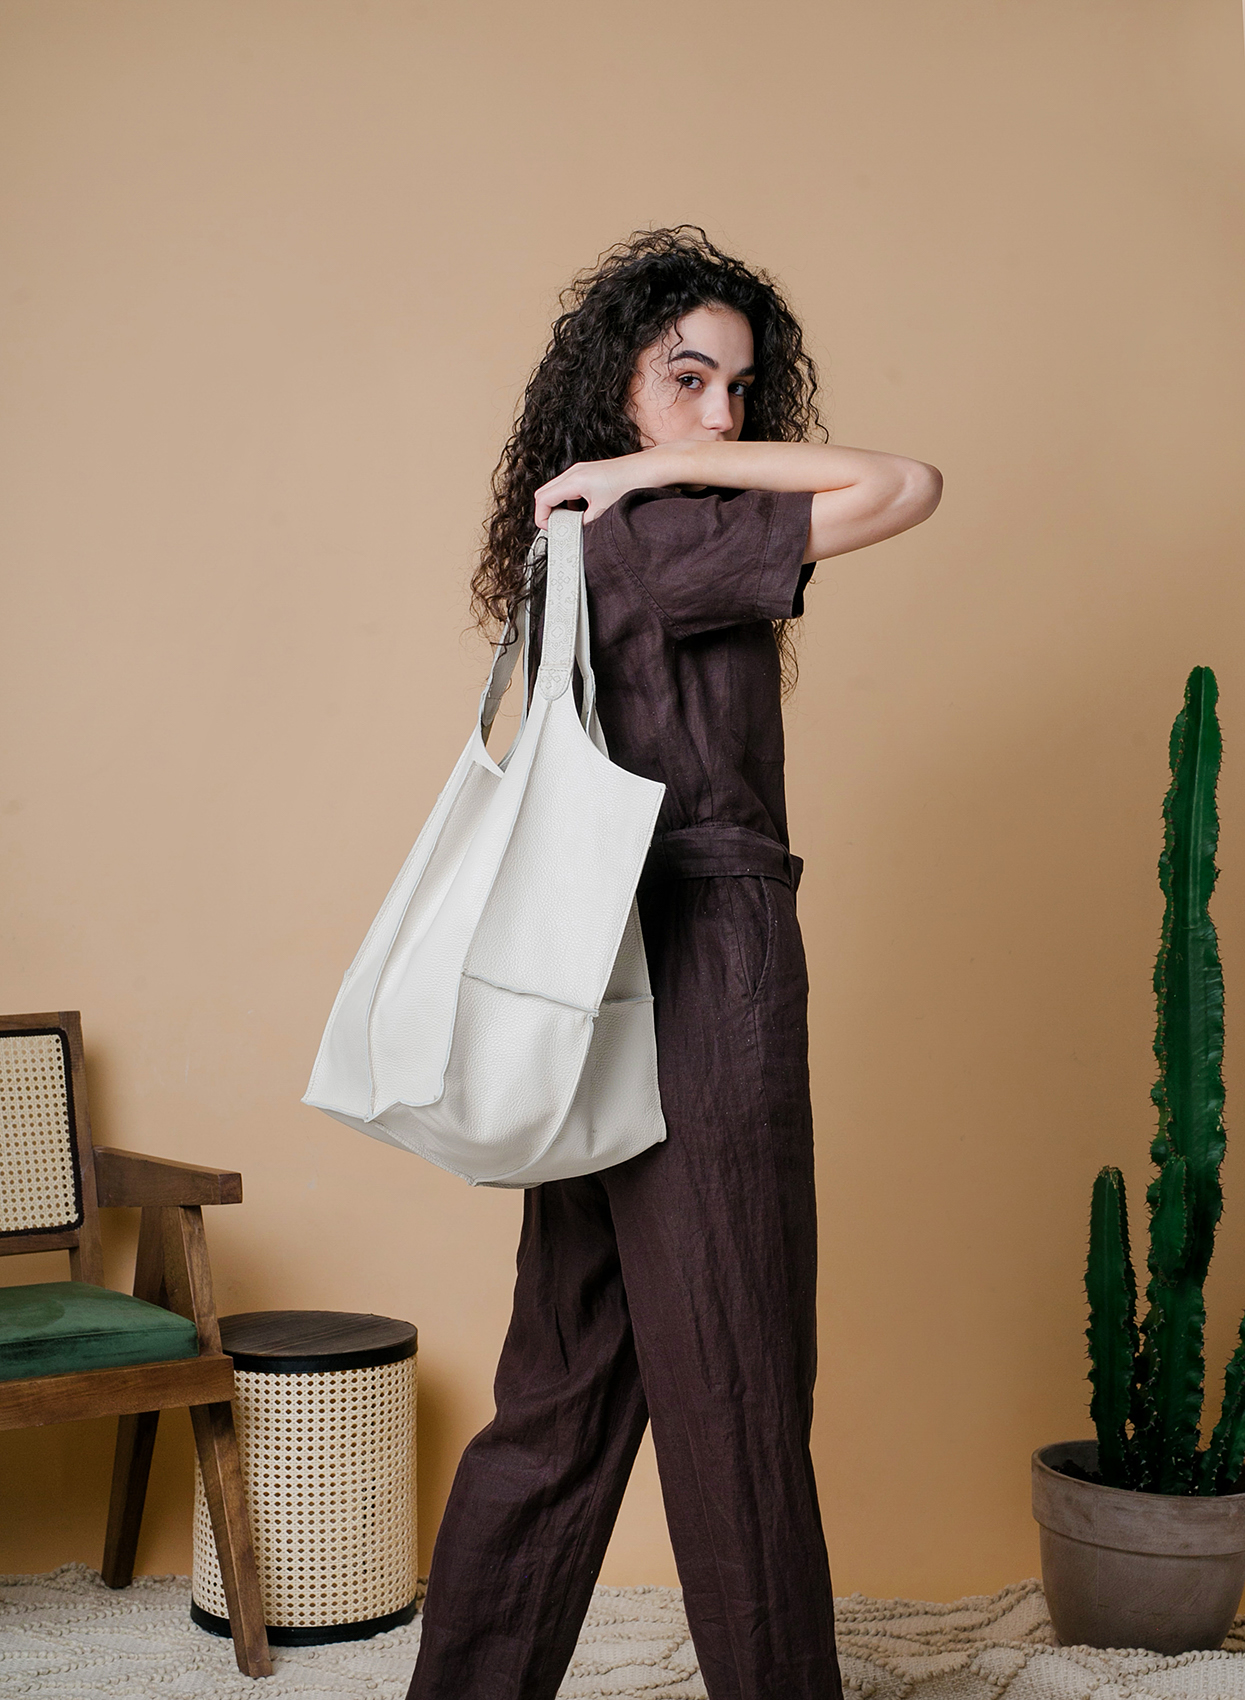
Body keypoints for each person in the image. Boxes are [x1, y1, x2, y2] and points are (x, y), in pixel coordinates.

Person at [407, 227, 942, 1700]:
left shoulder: (580, 545)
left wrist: (635, 471)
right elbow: (902, 484)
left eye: (739, 391)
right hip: (704, 961)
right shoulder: (660, 535)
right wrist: (651, 478)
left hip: (585, 979)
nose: (721, 417)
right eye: (685, 380)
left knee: (567, 1379)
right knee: (739, 1383)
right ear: (617, 397)